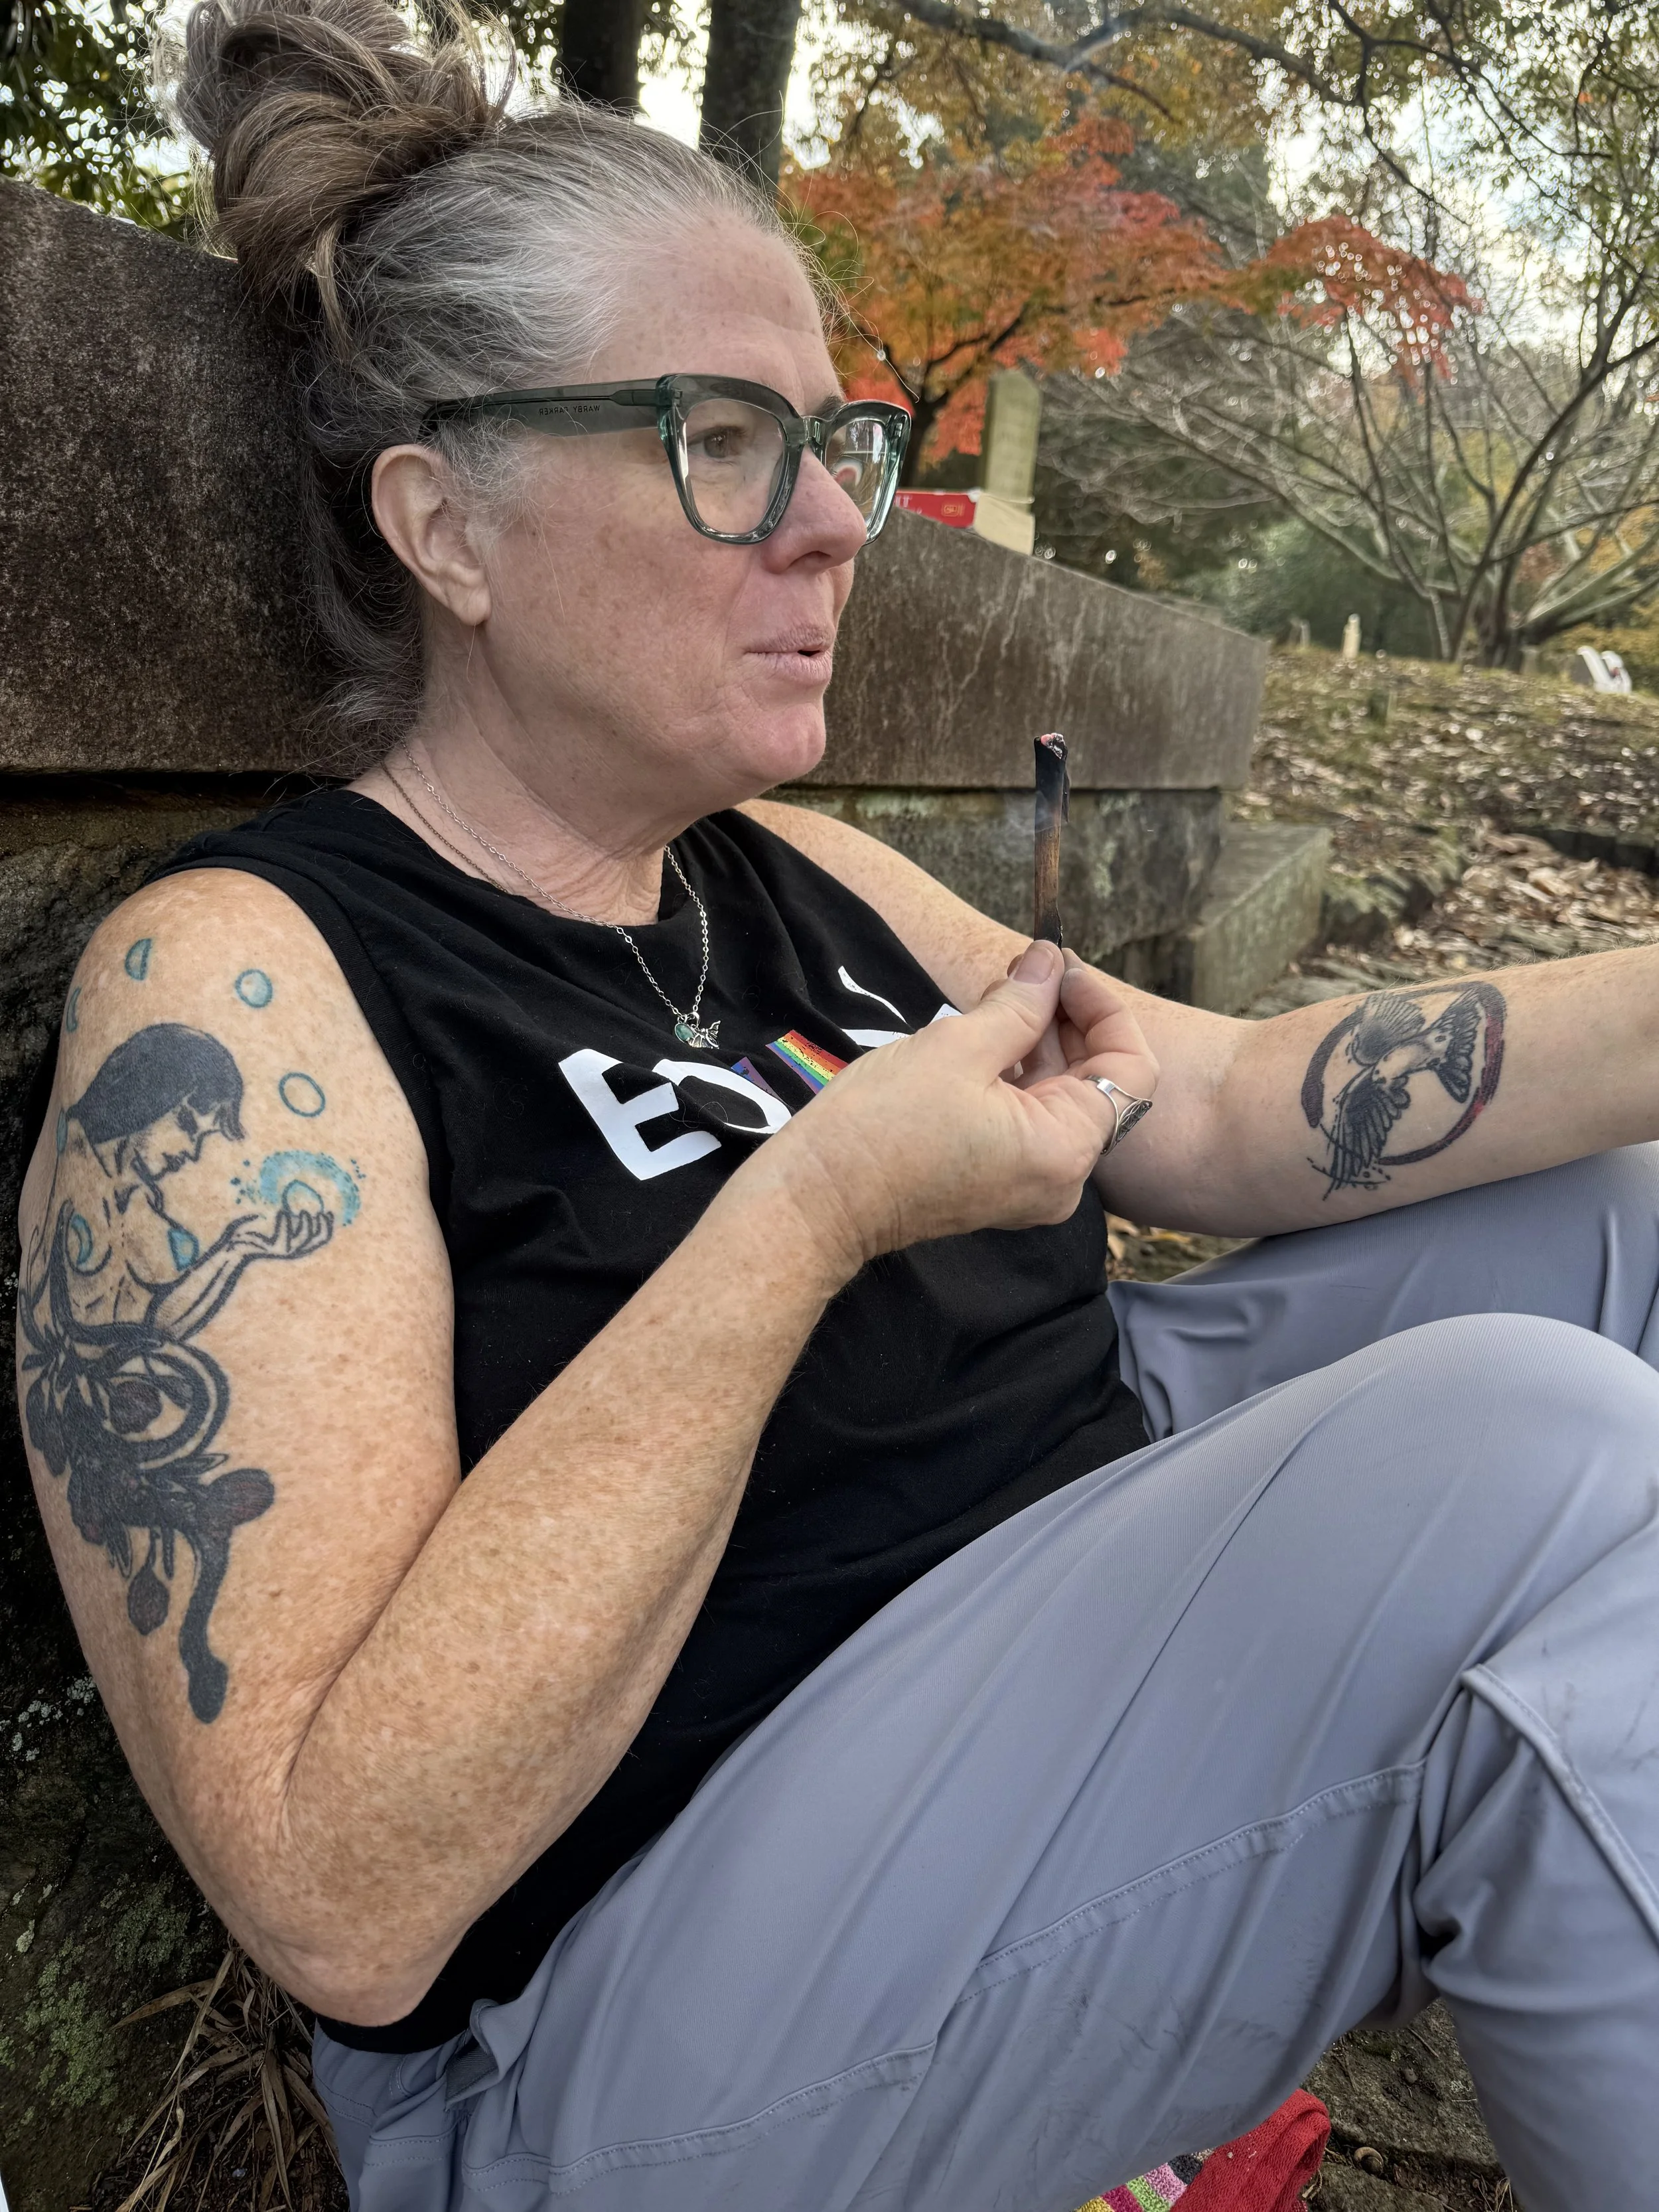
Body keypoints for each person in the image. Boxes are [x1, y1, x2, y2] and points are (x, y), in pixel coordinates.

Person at [15, 5, 1659, 2207]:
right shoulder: (239, 985)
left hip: (1045, 1581)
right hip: (640, 1988)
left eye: (832, 440)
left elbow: (1252, 1101)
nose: (827, 524)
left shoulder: (781, 870)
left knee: (1612, 1221)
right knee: (1539, 1459)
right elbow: (337, 1884)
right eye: (716, 440)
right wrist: (801, 1214)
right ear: (450, 524)